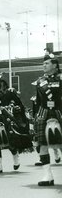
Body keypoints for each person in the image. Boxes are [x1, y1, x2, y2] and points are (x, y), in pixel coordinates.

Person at [0, 74, 32, 173]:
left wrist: (18, 112)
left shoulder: (10, 93)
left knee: (10, 142)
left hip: (7, 118)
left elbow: (20, 104)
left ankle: (15, 157)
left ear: (2, 83)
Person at [33, 52, 62, 186]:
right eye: (43, 63)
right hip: (43, 113)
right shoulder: (40, 81)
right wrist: (36, 116)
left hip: (59, 112)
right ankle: (48, 176)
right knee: (42, 145)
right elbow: (38, 101)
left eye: (47, 63)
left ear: (55, 65)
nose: (43, 65)